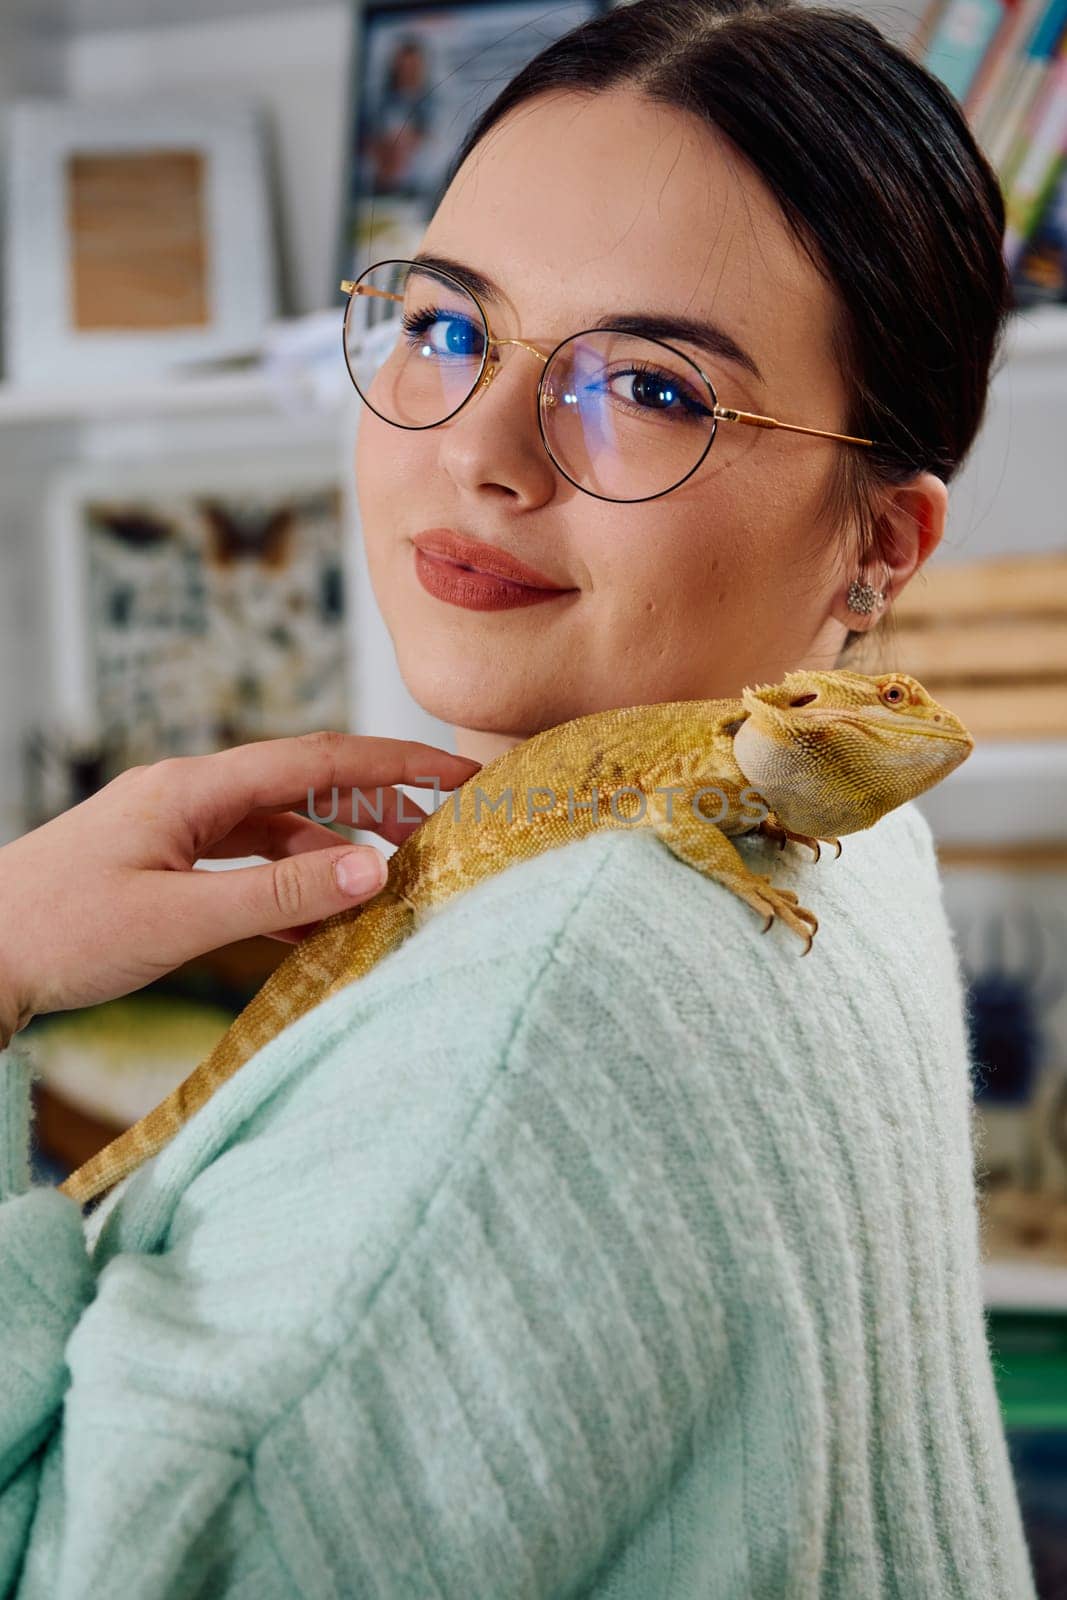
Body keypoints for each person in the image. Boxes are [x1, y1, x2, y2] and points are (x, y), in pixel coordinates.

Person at [0, 0, 1039, 1593]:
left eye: (654, 388)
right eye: (444, 328)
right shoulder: (846, 831)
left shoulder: (545, 1013)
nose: (481, 450)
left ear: (882, 546)